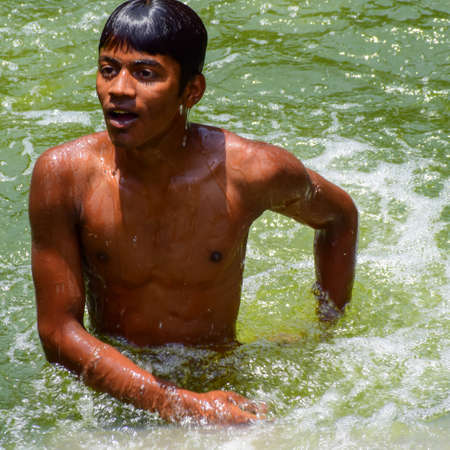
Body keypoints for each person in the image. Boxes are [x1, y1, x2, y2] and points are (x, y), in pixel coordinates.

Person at [29, 0, 358, 425]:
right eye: (108, 69)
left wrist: (326, 333)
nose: (119, 89)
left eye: (145, 73)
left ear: (192, 91)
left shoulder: (251, 172)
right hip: (115, 393)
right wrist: (178, 404)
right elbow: (57, 334)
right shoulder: (64, 175)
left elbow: (340, 217)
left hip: (222, 388)